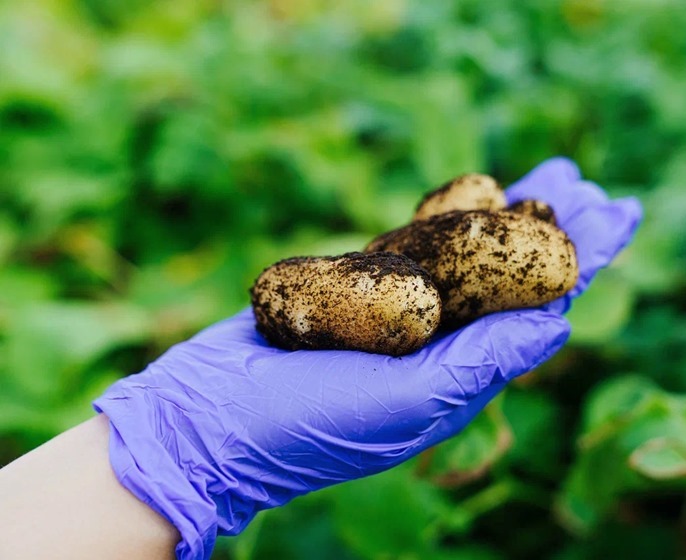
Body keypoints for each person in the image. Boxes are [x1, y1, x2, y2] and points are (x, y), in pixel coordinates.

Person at [0, 158, 642, 560]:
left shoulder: (429, 256)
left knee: (450, 259)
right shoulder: (373, 284)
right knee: (420, 286)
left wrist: (157, 458)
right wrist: (171, 452)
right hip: (362, 289)